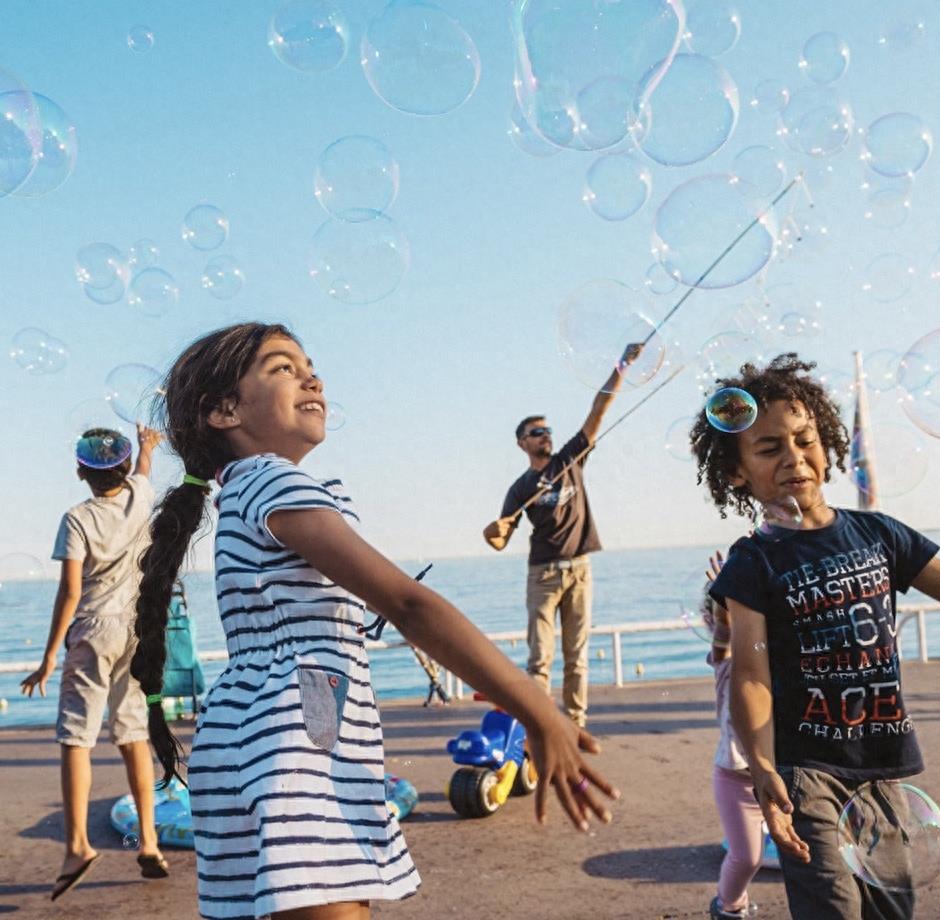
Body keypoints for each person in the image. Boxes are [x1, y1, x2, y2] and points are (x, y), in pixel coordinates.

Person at [130, 322, 620, 920]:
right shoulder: (274, 480)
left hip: (248, 734)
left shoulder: (239, 492)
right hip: (298, 738)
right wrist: (538, 710)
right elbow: (408, 605)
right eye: (283, 367)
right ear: (224, 410)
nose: (312, 376)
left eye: (309, 363)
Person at [692, 353, 940, 920]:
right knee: (833, 907)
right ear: (736, 472)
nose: (794, 457)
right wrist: (762, 764)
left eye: (805, 439)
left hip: (881, 763)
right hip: (806, 772)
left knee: (890, 910)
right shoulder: (752, 562)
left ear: (828, 445)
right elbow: (750, 672)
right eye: (769, 447)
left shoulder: (878, 534)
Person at [21, 423, 167, 900]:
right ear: (123, 468)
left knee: (75, 738)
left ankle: (78, 845)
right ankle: (149, 841)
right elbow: (145, 473)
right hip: (137, 630)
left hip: (94, 631)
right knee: (133, 734)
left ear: (80, 472)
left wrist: (47, 657)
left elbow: (70, 591)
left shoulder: (77, 518)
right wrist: (147, 446)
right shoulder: (140, 497)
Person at [482, 343, 642, 727]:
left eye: (547, 430)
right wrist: (495, 531)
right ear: (523, 443)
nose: (545, 436)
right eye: (537, 433)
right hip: (543, 574)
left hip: (580, 570)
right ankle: (540, 724)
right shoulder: (521, 487)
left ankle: (574, 724)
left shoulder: (570, 459)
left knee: (578, 656)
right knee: (540, 659)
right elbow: (501, 538)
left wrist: (621, 366)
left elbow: (598, 410)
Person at [700, 551, 767, 920]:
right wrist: (726, 605)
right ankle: (728, 906)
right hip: (735, 778)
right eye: (716, 612)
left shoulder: (768, 656)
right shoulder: (725, 663)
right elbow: (725, 638)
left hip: (780, 773)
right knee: (748, 857)